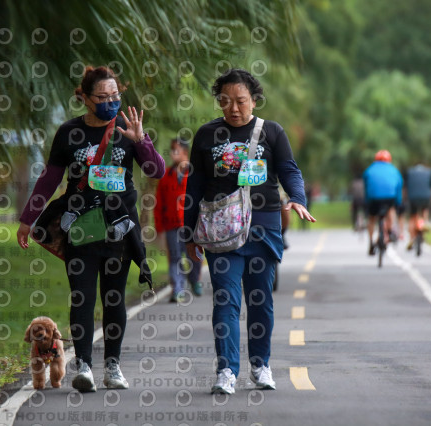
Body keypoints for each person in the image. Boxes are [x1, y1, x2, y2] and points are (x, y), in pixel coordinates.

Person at [16, 66, 165, 392]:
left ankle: (112, 366)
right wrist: (28, 219)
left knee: (114, 299)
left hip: (119, 231)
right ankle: (83, 365)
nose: (110, 102)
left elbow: (156, 170)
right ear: (84, 97)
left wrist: (141, 141)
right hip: (80, 228)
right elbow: (50, 178)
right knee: (81, 297)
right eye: (103, 97)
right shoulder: (69, 132)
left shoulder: (127, 128)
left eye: (115, 96)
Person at [184, 68, 316, 394]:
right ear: (219, 102)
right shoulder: (205, 135)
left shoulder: (271, 132)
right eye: (226, 101)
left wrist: (297, 198)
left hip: (264, 227)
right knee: (226, 300)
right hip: (222, 231)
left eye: (241, 101)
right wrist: (188, 233)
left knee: (260, 301)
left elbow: (288, 169)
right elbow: (195, 186)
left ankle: (260, 366)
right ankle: (227, 370)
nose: (233, 108)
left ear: (254, 100)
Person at [154, 138, 203, 303]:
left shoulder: (195, 173)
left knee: (193, 255)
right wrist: (159, 227)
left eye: (176, 150)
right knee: (174, 257)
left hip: (192, 224)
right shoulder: (166, 175)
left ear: (184, 152)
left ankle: (194, 280)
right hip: (171, 224)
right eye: (172, 150)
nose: (173, 153)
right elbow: (158, 203)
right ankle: (178, 289)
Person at [362, 150, 403, 255]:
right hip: (389, 197)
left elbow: (366, 186)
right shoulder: (394, 170)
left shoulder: (369, 169)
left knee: (371, 218)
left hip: (373, 198)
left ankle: (371, 242)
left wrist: (367, 201)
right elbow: (399, 186)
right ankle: (389, 231)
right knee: (390, 210)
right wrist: (398, 202)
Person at [405, 163, 431, 250]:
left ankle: (411, 238)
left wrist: (405, 198)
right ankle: (425, 222)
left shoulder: (409, 173)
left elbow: (406, 188)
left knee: (412, 217)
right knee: (425, 210)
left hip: (413, 198)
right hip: (425, 197)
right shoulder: (429, 173)